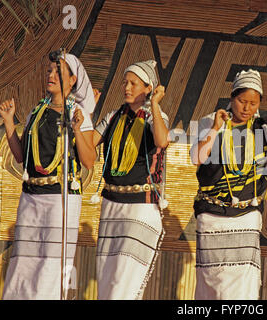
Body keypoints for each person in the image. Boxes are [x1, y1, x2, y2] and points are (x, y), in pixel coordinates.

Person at [0, 52, 96, 299]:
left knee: (48, 267)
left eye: (57, 71)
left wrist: (76, 129)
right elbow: (21, 157)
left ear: (72, 80)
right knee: (23, 263)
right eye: (49, 71)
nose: (51, 76)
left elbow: (89, 160)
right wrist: (10, 123)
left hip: (59, 198)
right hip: (31, 195)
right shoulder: (37, 111)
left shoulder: (77, 114)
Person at [190, 69, 267, 300]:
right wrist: (214, 128)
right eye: (242, 101)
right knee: (212, 283)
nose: (247, 108)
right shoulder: (211, 120)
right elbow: (196, 158)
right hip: (213, 215)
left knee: (243, 287)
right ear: (232, 97)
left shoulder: (263, 128)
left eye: (253, 103)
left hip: (246, 216)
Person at [92, 60, 169, 300]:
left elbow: (161, 141)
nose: (127, 87)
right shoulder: (113, 117)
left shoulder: (154, 117)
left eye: (134, 83)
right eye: (125, 82)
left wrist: (154, 104)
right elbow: (86, 148)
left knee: (124, 283)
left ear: (148, 88)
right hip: (112, 204)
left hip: (140, 207)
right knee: (106, 280)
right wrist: (87, 114)